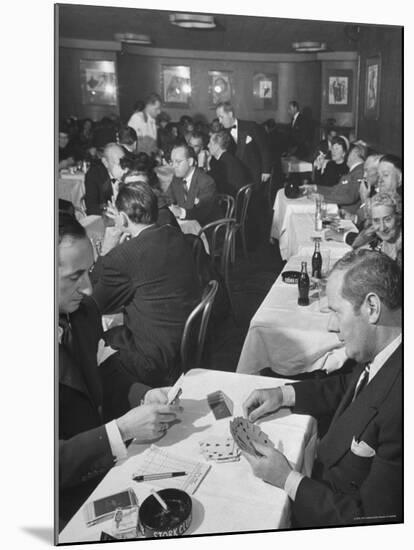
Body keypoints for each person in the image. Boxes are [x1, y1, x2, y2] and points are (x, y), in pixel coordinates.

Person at [242, 249, 402, 528]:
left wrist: (287, 479)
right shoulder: (385, 351)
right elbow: (349, 387)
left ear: (372, 308)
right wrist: (283, 394)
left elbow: (371, 522)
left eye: (337, 312)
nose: (331, 326)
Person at [58, 213, 181, 529]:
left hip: (104, 468)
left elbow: (105, 367)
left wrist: (143, 395)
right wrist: (122, 430)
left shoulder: (83, 312)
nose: (87, 289)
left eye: (89, 272)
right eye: (75, 277)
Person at [91, 182, 201, 387]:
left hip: (154, 359)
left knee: (91, 345)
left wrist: (105, 252)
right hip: (187, 345)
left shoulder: (123, 257)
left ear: (122, 219)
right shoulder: (175, 235)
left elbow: (95, 304)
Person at [216, 101, 272, 245]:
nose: (220, 121)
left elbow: (264, 148)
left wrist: (265, 170)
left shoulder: (251, 126)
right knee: (241, 208)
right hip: (238, 177)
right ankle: (242, 240)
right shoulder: (223, 133)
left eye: (222, 117)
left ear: (230, 114)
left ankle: (258, 242)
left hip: (255, 173)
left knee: (255, 207)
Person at [167, 143, 220, 226]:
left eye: (178, 162)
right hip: (187, 227)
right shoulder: (176, 179)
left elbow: (203, 212)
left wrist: (181, 212)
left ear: (190, 161)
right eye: (172, 162)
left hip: (206, 230)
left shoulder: (206, 182)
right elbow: (167, 198)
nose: (174, 166)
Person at [316, 141, 366, 215]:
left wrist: (323, 198)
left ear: (355, 153)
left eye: (347, 152)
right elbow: (335, 189)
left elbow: (350, 197)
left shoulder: (359, 172)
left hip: (346, 215)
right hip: (338, 210)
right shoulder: (354, 171)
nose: (344, 155)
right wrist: (316, 188)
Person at [84, 143, 127, 215]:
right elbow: (91, 207)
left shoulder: (130, 172)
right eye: (117, 163)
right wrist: (109, 210)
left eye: (123, 163)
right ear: (105, 162)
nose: (122, 168)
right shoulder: (94, 175)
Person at [207, 130, 249, 196]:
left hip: (230, 200)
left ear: (217, 146)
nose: (208, 146)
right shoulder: (229, 158)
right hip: (237, 197)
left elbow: (209, 184)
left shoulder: (222, 163)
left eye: (210, 143)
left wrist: (202, 165)